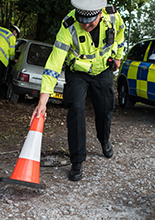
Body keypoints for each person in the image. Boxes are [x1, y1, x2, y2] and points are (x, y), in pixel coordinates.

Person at [30, 0, 125, 181]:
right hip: (77, 73)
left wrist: (118, 57)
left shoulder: (112, 16)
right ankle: (77, 160)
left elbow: (120, 33)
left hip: (103, 69)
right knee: (76, 110)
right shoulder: (68, 26)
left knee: (106, 108)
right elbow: (54, 64)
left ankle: (104, 140)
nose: (86, 26)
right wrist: (42, 101)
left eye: (91, 22)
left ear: (100, 14)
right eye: (82, 21)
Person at [0, 25, 20, 99]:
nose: (15, 36)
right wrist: (13, 59)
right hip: (1, 59)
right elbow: (11, 52)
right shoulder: (11, 37)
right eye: (16, 34)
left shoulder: (1, 29)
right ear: (14, 32)